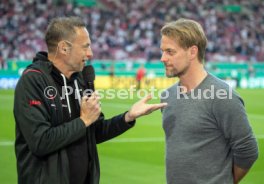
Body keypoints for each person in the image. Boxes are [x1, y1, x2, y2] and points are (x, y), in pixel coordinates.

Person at [13, 16, 167, 184]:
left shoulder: (81, 80)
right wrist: (83, 120)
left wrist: (128, 117)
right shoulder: (33, 80)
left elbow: (93, 132)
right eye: (85, 46)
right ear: (64, 48)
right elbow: (41, 142)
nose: (90, 53)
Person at [159, 18, 258, 184]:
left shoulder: (222, 96)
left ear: (192, 52)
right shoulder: (167, 96)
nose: (162, 58)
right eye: (162, 51)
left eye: (170, 52)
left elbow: (248, 150)